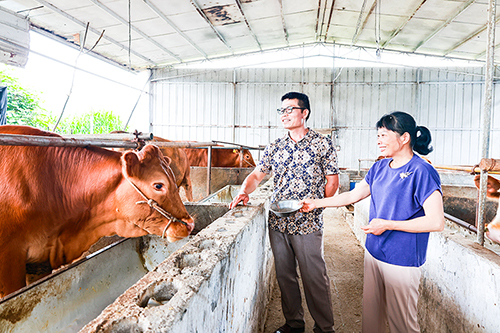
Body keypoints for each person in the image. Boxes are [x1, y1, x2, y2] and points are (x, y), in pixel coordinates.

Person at [301, 111, 445, 333]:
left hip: (402, 258)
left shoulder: (422, 171)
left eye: (384, 135)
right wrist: (316, 203)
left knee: (402, 323)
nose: (379, 141)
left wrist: (388, 224)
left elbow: (436, 221)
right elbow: (351, 196)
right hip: (375, 251)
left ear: (404, 138)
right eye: (377, 135)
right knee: (371, 318)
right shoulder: (379, 168)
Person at [229, 92, 339, 333]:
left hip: (308, 222)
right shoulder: (275, 146)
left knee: (314, 277)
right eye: (282, 110)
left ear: (304, 113)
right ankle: (294, 323)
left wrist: (320, 202)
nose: (284, 114)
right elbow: (257, 175)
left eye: (290, 109)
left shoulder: (322, 144)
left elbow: (332, 182)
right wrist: (244, 191)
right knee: (285, 276)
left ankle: (324, 327)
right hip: (278, 221)